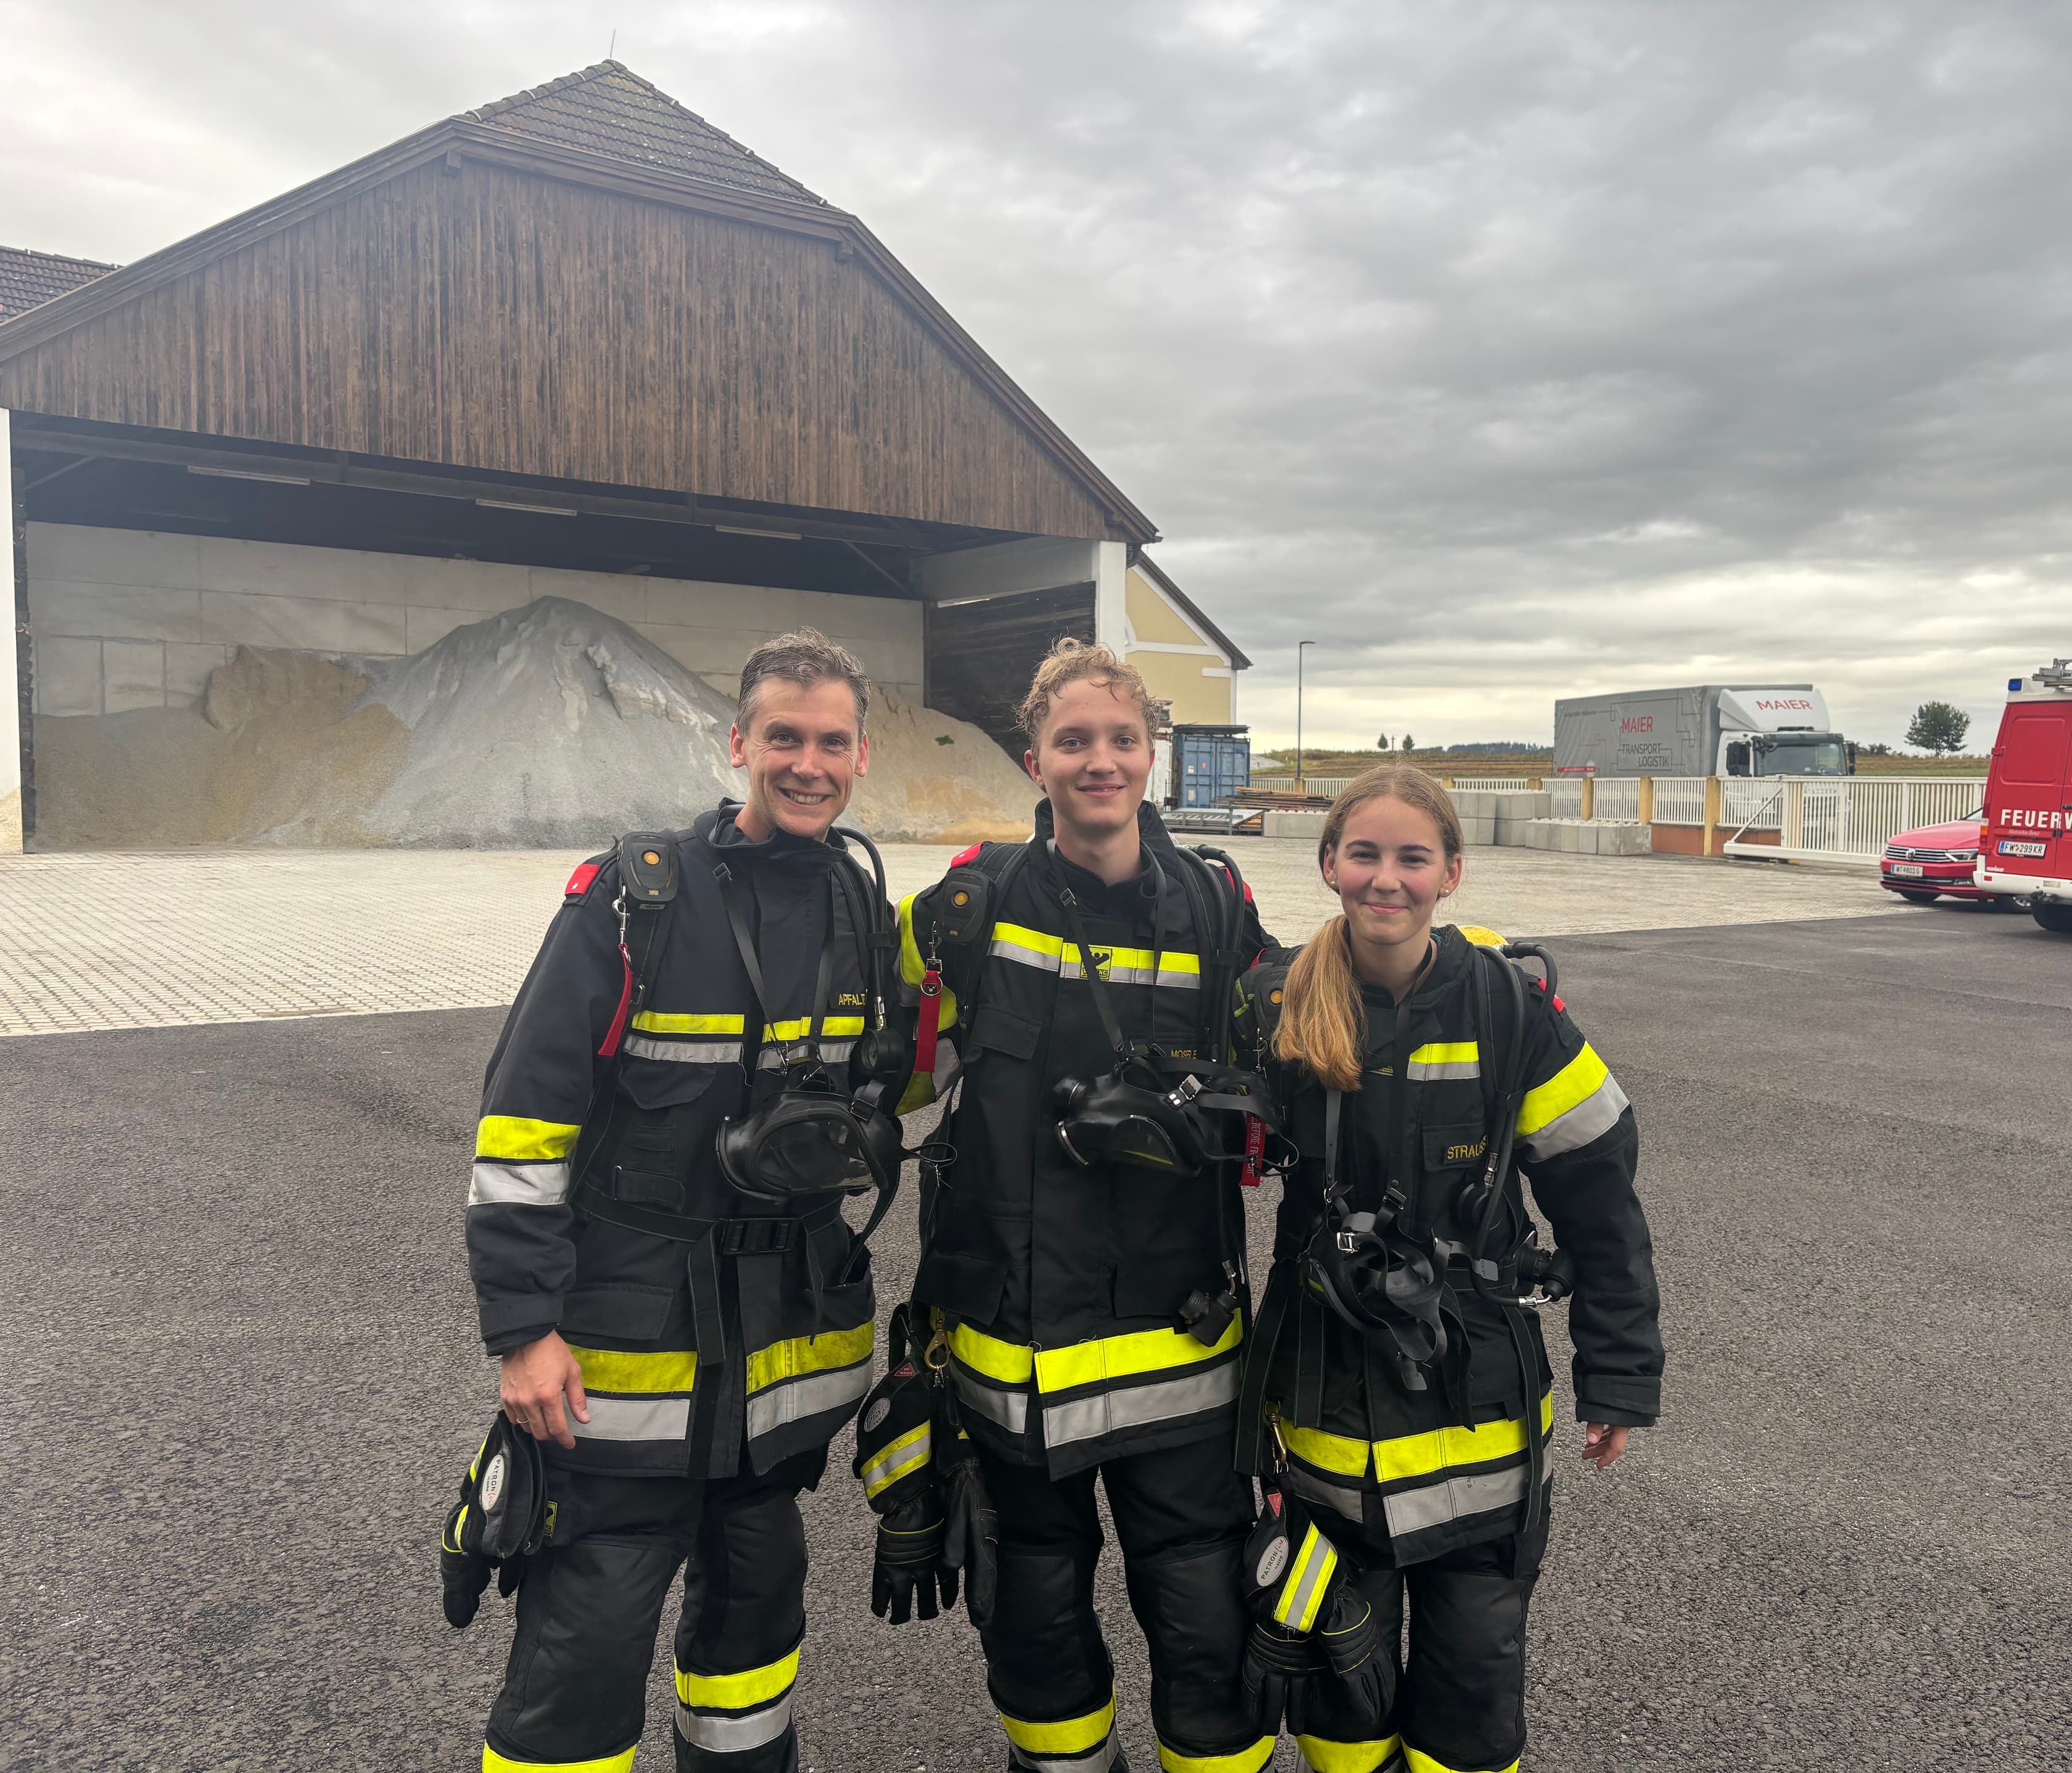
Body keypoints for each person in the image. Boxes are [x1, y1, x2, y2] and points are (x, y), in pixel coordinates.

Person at [453, 629, 901, 1773]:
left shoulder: (863, 905)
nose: (809, 763)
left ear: (862, 756)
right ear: (738, 741)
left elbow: (891, 1097)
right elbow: (522, 1122)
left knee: (756, 1625)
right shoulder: (633, 897)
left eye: (833, 742)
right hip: (623, 1350)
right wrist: (521, 1331)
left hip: (778, 1361)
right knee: (586, 1643)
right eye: (785, 737)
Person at [881, 638, 1278, 1773]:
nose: (1098, 761)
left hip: (1178, 1344)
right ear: (1034, 758)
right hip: (1012, 1353)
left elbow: (1293, 1043)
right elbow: (875, 1069)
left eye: (1120, 740)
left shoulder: (1216, 902)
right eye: (1073, 742)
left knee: (1205, 1617)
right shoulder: (966, 906)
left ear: (1151, 754)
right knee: (1033, 1613)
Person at [1233, 763, 1663, 1773]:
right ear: (1332, 864)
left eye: (1412, 858)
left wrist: (1621, 1374)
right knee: (1346, 1674)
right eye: (1366, 854)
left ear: (1452, 874)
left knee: (1475, 1682)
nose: (1388, 879)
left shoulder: (1513, 1014)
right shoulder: (1273, 1003)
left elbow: (1601, 1201)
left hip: (1480, 1406)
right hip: (1326, 1397)